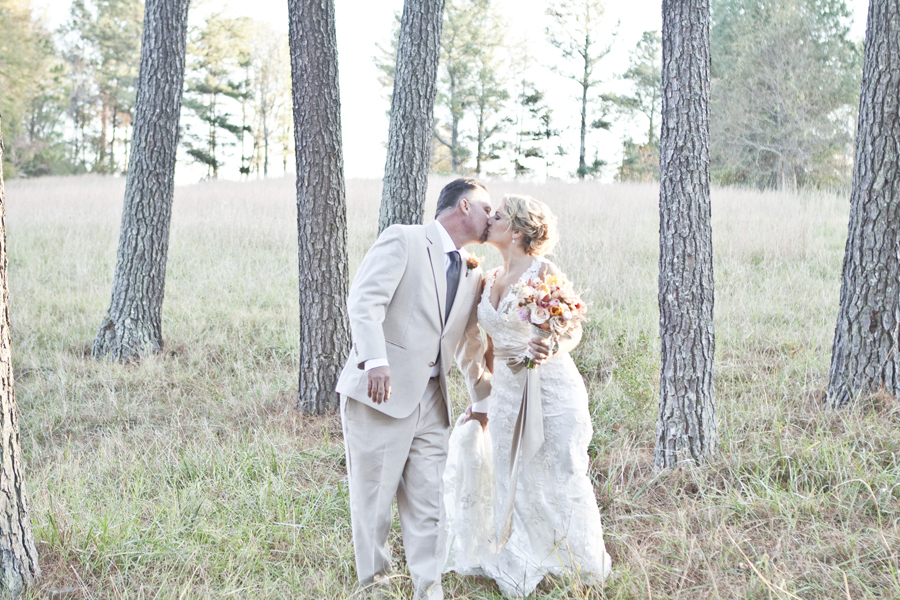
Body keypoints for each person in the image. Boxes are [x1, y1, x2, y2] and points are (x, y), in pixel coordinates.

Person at [443, 194, 612, 598]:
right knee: (510, 476)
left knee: (560, 469)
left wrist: (553, 347)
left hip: (551, 389)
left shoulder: (544, 271)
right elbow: (486, 345)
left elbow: (572, 328)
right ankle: (520, 553)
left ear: (516, 230)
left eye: (497, 216)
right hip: (505, 393)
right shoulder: (486, 278)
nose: (490, 219)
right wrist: (482, 397)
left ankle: (574, 557)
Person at [335, 178, 494, 600]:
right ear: (464, 206)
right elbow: (364, 301)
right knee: (373, 504)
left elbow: (465, 343)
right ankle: (377, 590)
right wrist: (376, 361)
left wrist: (483, 400)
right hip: (379, 395)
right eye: (486, 208)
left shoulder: (469, 271)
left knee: (429, 505)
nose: (491, 217)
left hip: (433, 403)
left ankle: (430, 589)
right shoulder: (404, 239)